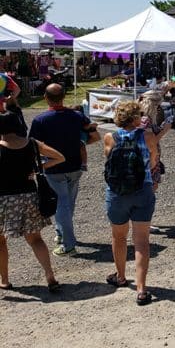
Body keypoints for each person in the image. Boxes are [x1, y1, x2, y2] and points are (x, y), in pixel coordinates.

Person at [28, 83, 100, 256]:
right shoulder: (77, 116)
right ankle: (62, 233)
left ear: (45, 98)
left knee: (62, 204)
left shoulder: (40, 120)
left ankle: (68, 244)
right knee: (68, 203)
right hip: (76, 166)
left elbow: (33, 146)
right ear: (64, 96)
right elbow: (94, 136)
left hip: (54, 168)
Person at [0, 111, 64, 292]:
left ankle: (4, 280)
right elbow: (59, 157)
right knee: (36, 239)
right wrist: (37, 168)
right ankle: (50, 276)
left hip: (2, 199)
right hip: (28, 195)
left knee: (1, 242)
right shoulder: (32, 144)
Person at [103, 100, 159, 305]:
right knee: (141, 240)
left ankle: (120, 277)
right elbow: (153, 161)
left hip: (117, 193)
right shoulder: (147, 136)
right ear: (136, 118)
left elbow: (108, 161)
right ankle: (142, 290)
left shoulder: (110, 137)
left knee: (118, 237)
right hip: (142, 190)